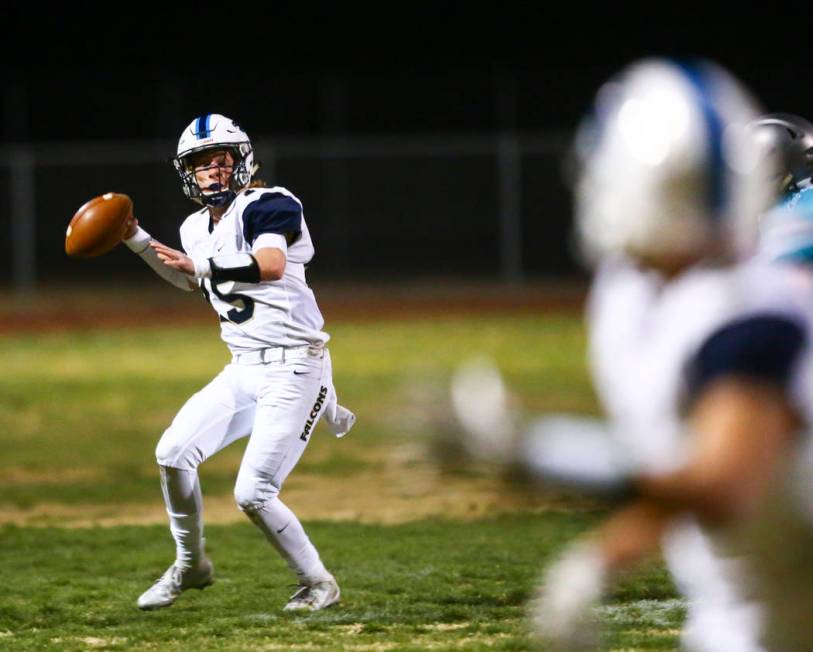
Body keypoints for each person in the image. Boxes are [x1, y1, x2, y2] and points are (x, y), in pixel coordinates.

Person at [452, 59, 813, 650]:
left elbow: (726, 482)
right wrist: (600, 559)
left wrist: (539, 450)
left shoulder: (750, 308)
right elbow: (680, 468)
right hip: (747, 608)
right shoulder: (631, 295)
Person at [121, 113, 355, 612]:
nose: (209, 172)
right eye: (199, 165)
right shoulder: (194, 226)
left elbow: (269, 266)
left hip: (296, 367)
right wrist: (136, 239)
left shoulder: (270, 203)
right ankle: (191, 565)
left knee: (254, 491)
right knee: (172, 453)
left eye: (218, 161)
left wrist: (200, 265)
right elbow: (191, 281)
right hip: (244, 366)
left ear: (241, 160)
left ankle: (318, 583)